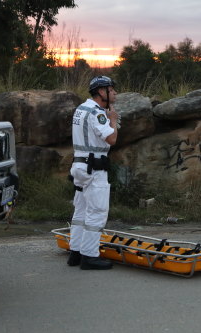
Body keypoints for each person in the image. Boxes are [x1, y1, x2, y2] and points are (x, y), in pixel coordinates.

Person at [67, 75, 119, 270]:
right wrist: (112, 120)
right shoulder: (97, 113)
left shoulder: (81, 109)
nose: (114, 93)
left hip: (80, 167)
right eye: (111, 89)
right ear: (101, 92)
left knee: (80, 211)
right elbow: (111, 139)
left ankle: (76, 253)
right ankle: (90, 256)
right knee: (97, 212)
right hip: (94, 169)